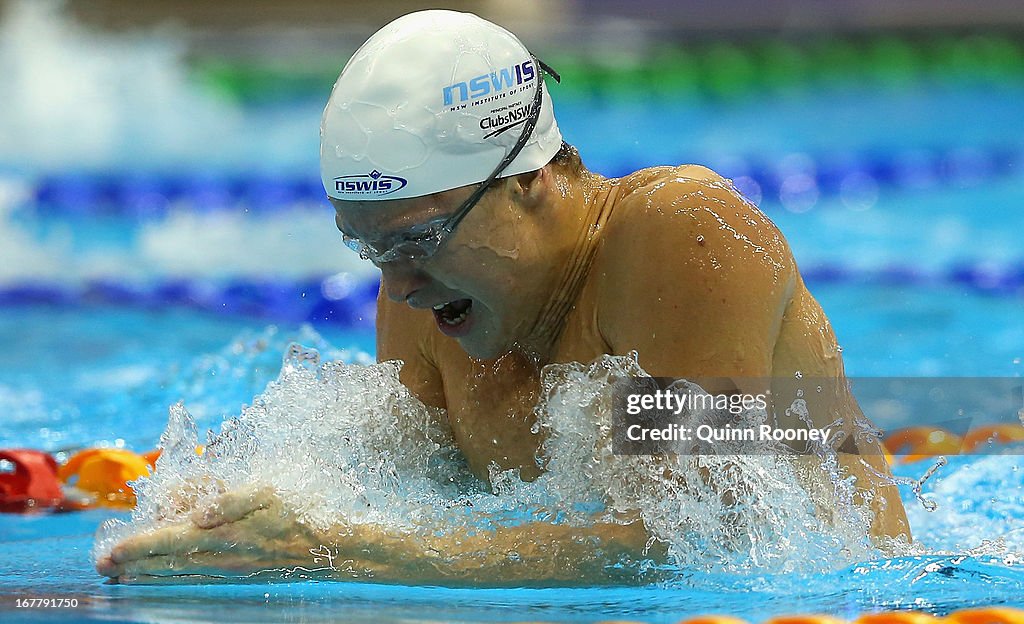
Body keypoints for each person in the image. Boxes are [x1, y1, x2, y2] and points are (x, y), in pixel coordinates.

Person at [97, 9, 909, 585]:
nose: (399, 287)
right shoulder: (436, 302)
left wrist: (343, 549)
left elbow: (706, 533)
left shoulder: (676, 235)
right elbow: (394, 486)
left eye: (416, 240)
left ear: (529, 180)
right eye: (370, 248)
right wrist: (236, 513)